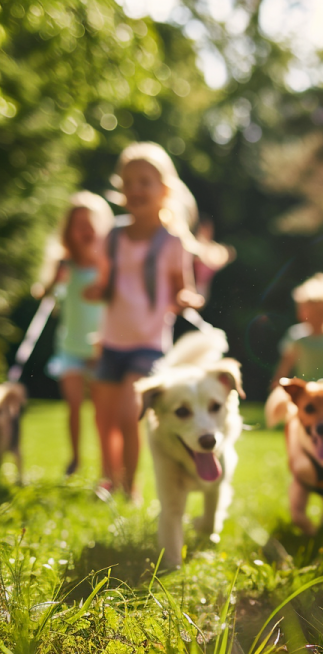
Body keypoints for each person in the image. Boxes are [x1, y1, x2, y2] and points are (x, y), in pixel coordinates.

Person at [85, 142, 210, 501]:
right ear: (120, 190)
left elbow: (180, 289)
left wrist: (187, 299)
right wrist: (96, 290)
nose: (136, 189)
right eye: (129, 182)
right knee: (104, 418)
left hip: (148, 343)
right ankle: (107, 478)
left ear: (164, 190)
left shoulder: (171, 242)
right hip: (111, 340)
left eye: (145, 182)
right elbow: (107, 282)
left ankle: (129, 485)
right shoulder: (113, 236)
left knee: (129, 413)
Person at [36, 192, 113, 476]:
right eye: (78, 224)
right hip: (69, 347)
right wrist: (50, 285)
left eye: (90, 223)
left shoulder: (106, 266)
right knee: (74, 407)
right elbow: (46, 294)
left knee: (102, 412)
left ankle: (106, 465)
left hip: (100, 348)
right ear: (68, 230)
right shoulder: (64, 266)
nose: (84, 230)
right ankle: (75, 458)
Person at [270, 273, 323, 387]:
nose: (316, 318)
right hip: (305, 393)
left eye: (321, 313)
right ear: (302, 312)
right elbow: (284, 367)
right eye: (312, 313)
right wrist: (277, 386)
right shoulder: (296, 336)